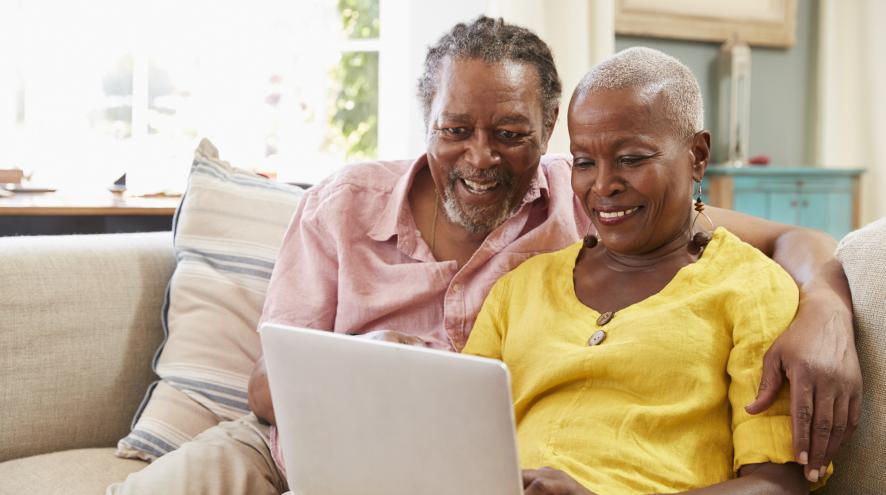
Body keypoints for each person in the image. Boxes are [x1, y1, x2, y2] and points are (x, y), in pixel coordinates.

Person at [109, 17, 860, 495]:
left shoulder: (589, 199)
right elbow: (269, 388)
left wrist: (825, 300)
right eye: (455, 129)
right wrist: (371, 363)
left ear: (544, 138)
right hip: (300, 443)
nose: (480, 157)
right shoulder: (344, 205)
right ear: (427, 123)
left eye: (510, 133)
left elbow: (782, 241)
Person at [464, 46, 828, 495]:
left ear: (697, 154)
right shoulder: (519, 289)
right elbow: (454, 442)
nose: (603, 185)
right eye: (583, 162)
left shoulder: (750, 289)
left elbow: (777, 485)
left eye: (631, 159)